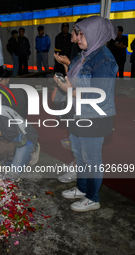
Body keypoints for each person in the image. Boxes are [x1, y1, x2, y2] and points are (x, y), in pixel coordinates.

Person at [53, 16, 118, 212]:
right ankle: (82, 189)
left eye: (82, 33)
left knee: (92, 159)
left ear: (95, 34)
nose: (77, 37)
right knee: (79, 155)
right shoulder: (86, 54)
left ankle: (93, 198)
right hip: (78, 112)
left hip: (95, 117)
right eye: (78, 33)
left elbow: (99, 95)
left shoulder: (104, 60)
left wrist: (70, 90)